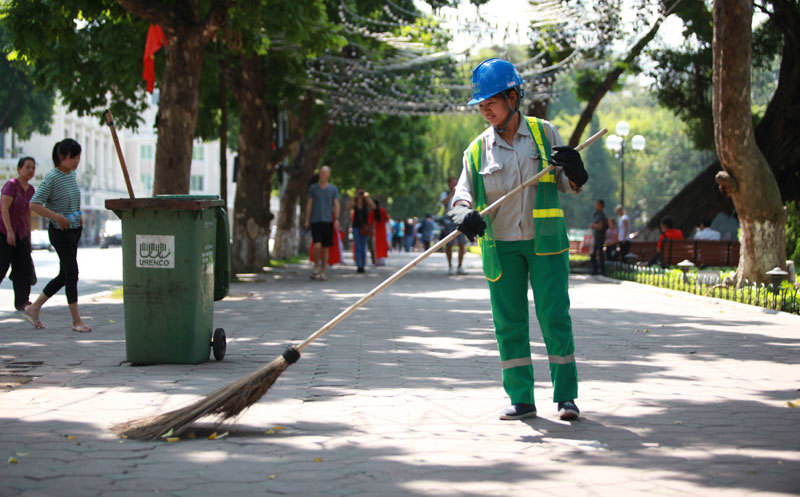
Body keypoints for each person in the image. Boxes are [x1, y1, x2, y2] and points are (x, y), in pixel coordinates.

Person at [449, 58, 588, 421]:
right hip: (502, 247)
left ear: (513, 97)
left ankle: (566, 397)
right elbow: (462, 195)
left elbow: (568, 186)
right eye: (480, 105)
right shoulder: (477, 150)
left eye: (490, 102)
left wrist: (575, 171)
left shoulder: (545, 134)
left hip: (547, 245)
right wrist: (462, 213)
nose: (484, 110)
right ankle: (521, 398)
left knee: (555, 317)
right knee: (508, 322)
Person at [25, 139, 91, 332]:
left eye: (78, 157)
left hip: (74, 231)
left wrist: (79, 215)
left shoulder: (71, 175)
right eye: (73, 157)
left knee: (65, 274)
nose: (76, 161)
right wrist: (57, 217)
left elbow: (71, 199)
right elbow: (34, 204)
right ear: (61, 156)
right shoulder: (52, 177)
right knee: (72, 273)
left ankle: (34, 307)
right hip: (59, 232)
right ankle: (76, 321)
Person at [1, 156, 36, 312]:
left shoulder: (31, 190)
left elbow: (28, 214)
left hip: (21, 233)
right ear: (19, 169)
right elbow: (3, 209)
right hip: (4, 232)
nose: (30, 170)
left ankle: (22, 301)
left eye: (33, 168)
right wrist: (9, 231)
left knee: (23, 267)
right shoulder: (11, 185)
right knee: (2, 265)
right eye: (27, 167)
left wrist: (28, 235)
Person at [304, 165, 340, 282]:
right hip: (315, 220)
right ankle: (315, 268)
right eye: (321, 172)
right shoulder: (313, 188)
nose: (323, 175)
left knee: (325, 248)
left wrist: (337, 219)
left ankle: (323, 272)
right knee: (317, 245)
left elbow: (336, 204)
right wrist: (306, 220)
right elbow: (309, 204)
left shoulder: (333, 189)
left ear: (328, 175)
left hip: (328, 221)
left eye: (325, 173)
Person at [441, 177, 468, 275]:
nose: (454, 185)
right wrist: (452, 193)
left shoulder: (461, 194)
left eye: (456, 183)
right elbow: (444, 202)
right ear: (449, 184)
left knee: (462, 243)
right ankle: (450, 266)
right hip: (449, 221)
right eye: (452, 183)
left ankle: (460, 266)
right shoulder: (445, 194)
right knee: (449, 244)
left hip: (460, 220)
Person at [351, 189, 375, 273]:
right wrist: (355, 196)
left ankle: (363, 265)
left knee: (363, 247)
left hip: (365, 228)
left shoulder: (366, 203)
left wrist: (367, 197)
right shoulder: (355, 202)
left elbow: (373, 207)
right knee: (358, 247)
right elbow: (348, 206)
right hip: (356, 227)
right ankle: (359, 265)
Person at [589, 199, 608, 275]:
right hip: (595, 236)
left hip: (600, 237)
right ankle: (595, 270)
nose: (595, 206)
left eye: (597, 204)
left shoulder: (601, 215)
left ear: (601, 205)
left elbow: (600, 226)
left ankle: (601, 270)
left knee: (600, 253)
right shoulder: (596, 214)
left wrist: (593, 226)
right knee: (593, 254)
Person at [369, 200, 389, 265]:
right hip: (382, 231)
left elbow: (370, 222)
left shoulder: (372, 212)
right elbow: (387, 219)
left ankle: (377, 261)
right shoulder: (383, 210)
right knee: (382, 246)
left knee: (376, 247)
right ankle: (382, 261)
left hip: (376, 232)